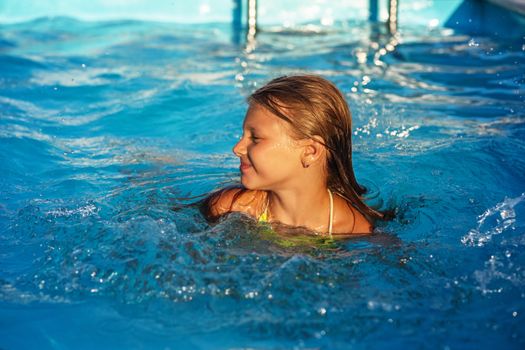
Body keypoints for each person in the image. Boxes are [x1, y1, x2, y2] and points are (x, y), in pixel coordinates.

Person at [202, 75, 388, 237]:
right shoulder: (229, 207)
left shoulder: (355, 231)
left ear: (310, 151)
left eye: (256, 138)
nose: (237, 148)